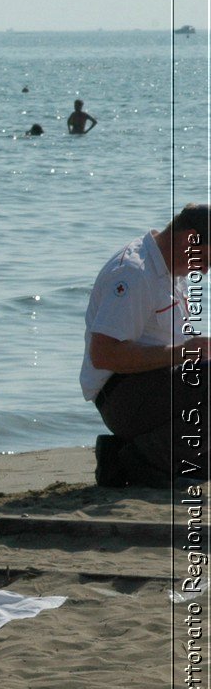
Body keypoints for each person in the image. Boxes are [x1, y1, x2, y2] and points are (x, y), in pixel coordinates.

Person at [81, 204, 209, 487]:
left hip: (155, 387)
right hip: (121, 396)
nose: (205, 270)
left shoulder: (173, 271)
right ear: (189, 240)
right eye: (206, 260)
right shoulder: (133, 272)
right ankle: (139, 463)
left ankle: (125, 456)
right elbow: (103, 354)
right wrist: (185, 353)